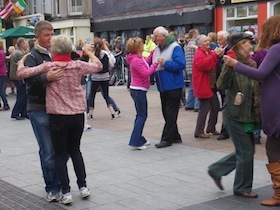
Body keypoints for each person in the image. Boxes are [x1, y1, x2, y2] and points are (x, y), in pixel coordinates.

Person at [18, 34, 103, 205]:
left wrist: (21, 62)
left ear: (55, 50)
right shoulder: (77, 65)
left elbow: (23, 73)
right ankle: (83, 186)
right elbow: (98, 66)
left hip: (58, 116)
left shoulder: (49, 66)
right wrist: (88, 52)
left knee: (60, 155)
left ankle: (65, 192)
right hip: (78, 115)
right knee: (75, 151)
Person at [223, 15, 280, 206]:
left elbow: (261, 75)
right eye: (246, 43)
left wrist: (235, 65)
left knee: (270, 149)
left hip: (270, 107)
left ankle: (278, 194)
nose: (251, 45)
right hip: (249, 110)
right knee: (259, 149)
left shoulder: (274, 50)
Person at [208, 32, 260, 199]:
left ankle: (216, 169)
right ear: (238, 46)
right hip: (234, 115)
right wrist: (229, 66)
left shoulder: (251, 64)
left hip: (249, 115)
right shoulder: (231, 64)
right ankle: (242, 187)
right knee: (245, 152)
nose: (250, 46)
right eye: (246, 43)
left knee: (247, 151)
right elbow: (220, 85)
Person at [23, 20, 62, 202]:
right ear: (37, 37)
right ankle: (52, 187)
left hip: (58, 107)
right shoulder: (32, 57)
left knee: (64, 148)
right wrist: (46, 77)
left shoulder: (58, 53)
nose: (51, 38)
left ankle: (61, 182)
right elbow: (29, 83)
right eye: (47, 35)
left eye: (52, 34)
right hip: (39, 108)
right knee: (47, 150)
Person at [147, 26, 186, 148]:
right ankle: (175, 136)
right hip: (163, 86)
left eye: (156, 35)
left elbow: (180, 64)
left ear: (164, 36)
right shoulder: (157, 49)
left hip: (173, 85)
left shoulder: (175, 48)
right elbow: (148, 62)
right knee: (166, 112)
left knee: (170, 113)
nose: (154, 38)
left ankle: (166, 139)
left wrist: (165, 63)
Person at [126, 37, 159, 150]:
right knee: (142, 115)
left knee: (140, 115)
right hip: (139, 90)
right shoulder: (136, 60)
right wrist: (156, 64)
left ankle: (139, 137)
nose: (143, 45)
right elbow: (146, 73)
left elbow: (146, 61)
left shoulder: (137, 58)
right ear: (138, 47)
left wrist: (153, 54)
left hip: (138, 89)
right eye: (141, 44)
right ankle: (135, 140)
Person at [192, 35, 222, 138]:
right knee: (204, 109)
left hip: (210, 85)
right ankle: (199, 131)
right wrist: (215, 56)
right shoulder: (199, 54)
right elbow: (204, 65)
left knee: (215, 106)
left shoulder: (208, 52)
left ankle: (211, 127)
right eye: (205, 41)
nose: (208, 42)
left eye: (208, 40)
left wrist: (216, 55)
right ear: (200, 44)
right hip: (204, 85)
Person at [87, 36, 117, 119]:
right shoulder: (105, 54)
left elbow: (90, 66)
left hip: (95, 77)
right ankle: (112, 112)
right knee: (106, 95)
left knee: (92, 95)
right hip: (105, 77)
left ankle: (91, 113)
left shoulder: (93, 55)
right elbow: (111, 64)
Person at [216, 30, 231, 141]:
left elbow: (226, 67)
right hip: (223, 83)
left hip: (228, 83)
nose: (218, 41)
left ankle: (225, 131)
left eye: (220, 39)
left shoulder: (229, 50)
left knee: (226, 107)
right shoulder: (223, 49)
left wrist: (220, 57)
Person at [10, 37, 29, 120]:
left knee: (22, 95)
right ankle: (16, 112)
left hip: (15, 76)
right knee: (22, 95)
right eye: (26, 43)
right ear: (22, 44)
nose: (27, 45)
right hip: (18, 77)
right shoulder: (20, 54)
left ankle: (23, 112)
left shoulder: (17, 52)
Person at [184, 29, 200, 112]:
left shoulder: (186, 46)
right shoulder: (194, 45)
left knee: (192, 87)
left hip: (189, 68)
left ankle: (189, 104)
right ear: (195, 35)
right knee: (197, 87)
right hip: (195, 69)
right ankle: (197, 105)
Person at [0, 40, 9, 111]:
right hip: (1, 73)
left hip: (1, 73)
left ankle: (6, 104)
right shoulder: (2, 53)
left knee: (1, 90)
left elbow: (0, 62)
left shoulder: (1, 53)